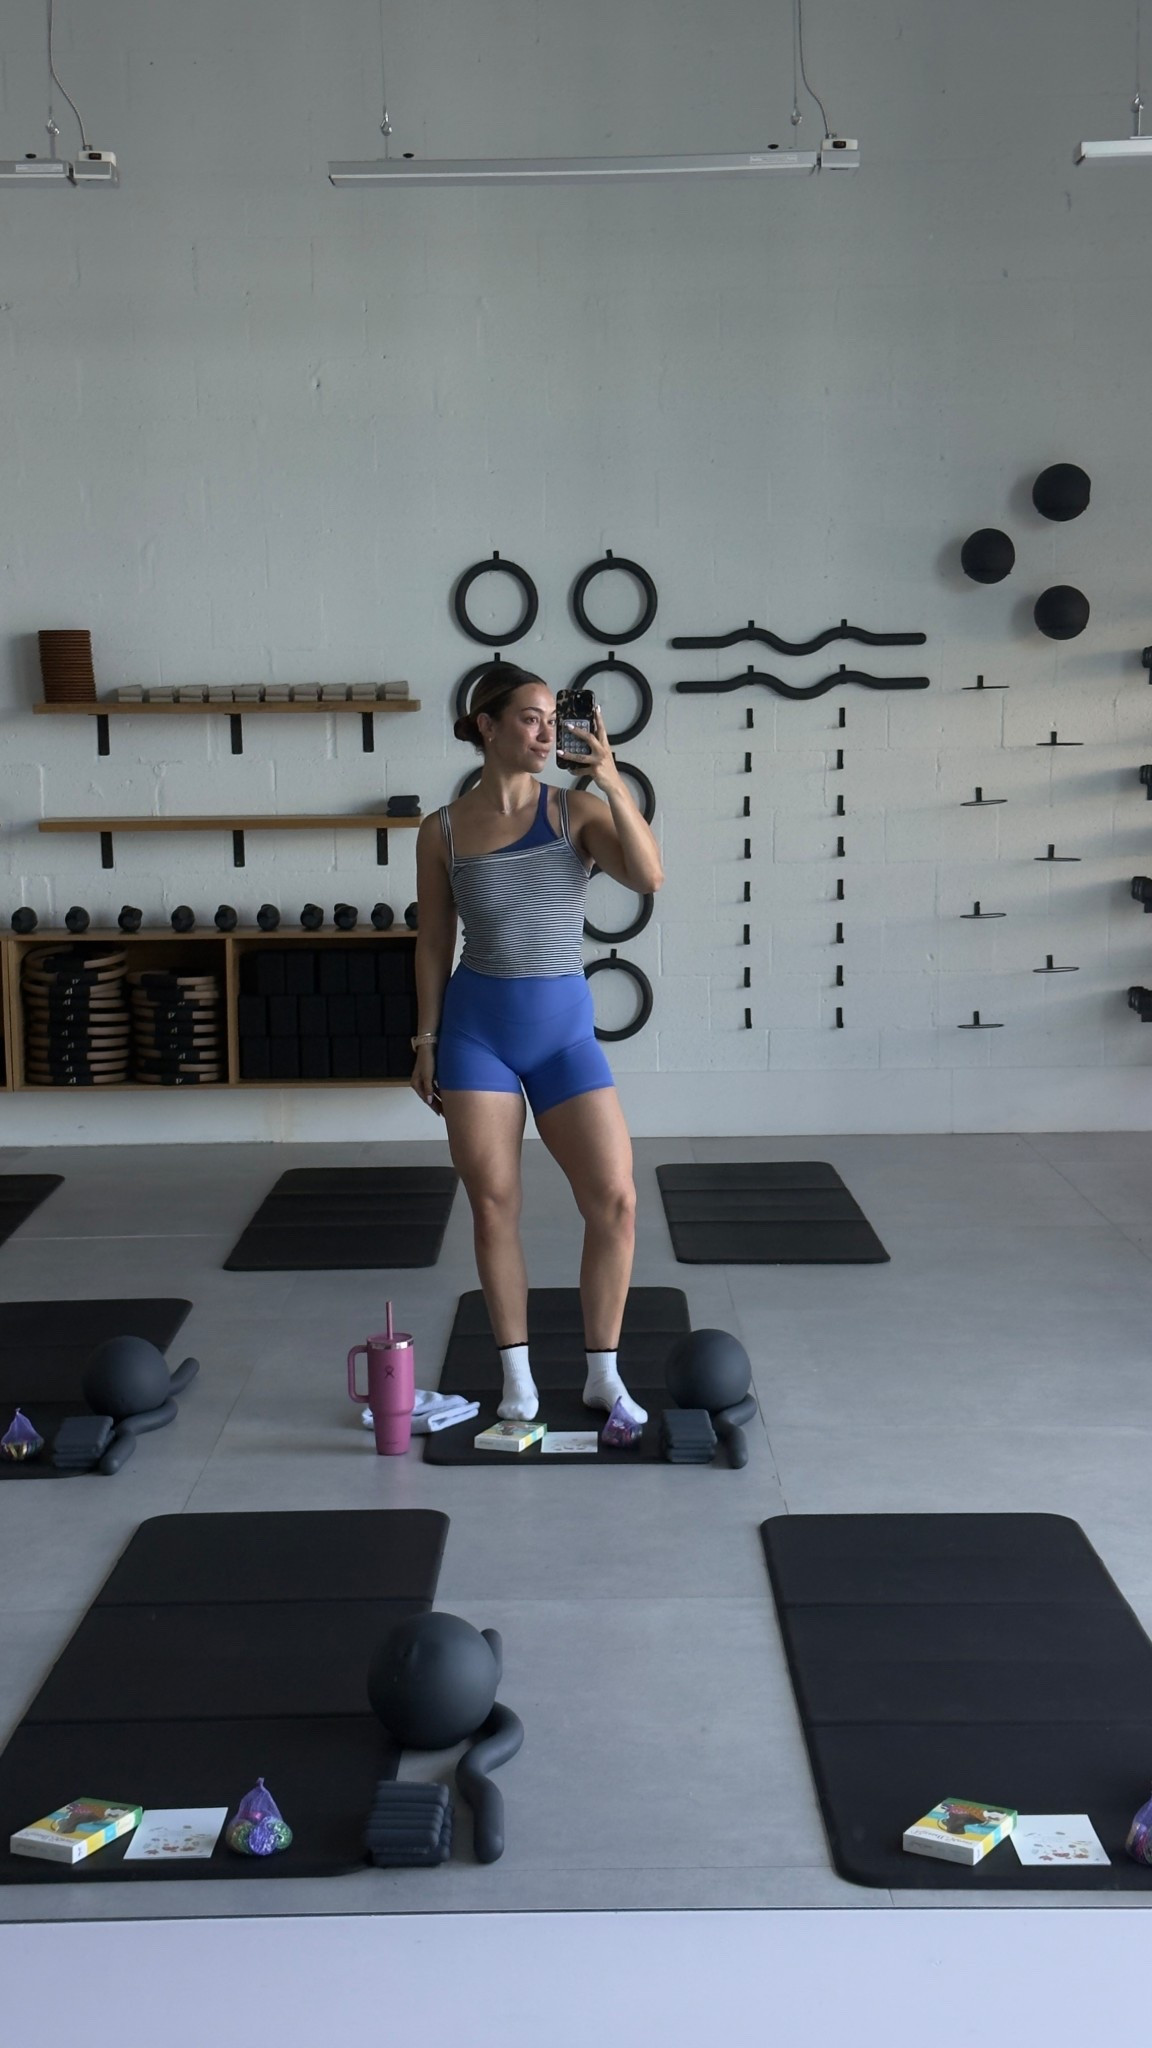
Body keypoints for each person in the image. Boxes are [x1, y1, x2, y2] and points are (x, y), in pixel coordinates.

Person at [411, 663, 664, 1425]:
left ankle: (601, 1372)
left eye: (554, 717)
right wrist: (426, 1040)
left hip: (563, 1037)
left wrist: (613, 778)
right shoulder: (443, 829)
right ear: (485, 726)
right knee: (494, 1208)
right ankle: (516, 1380)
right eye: (529, 717)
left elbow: (650, 877)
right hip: (477, 1035)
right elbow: (431, 943)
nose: (548, 730)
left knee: (615, 1202)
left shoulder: (578, 811)